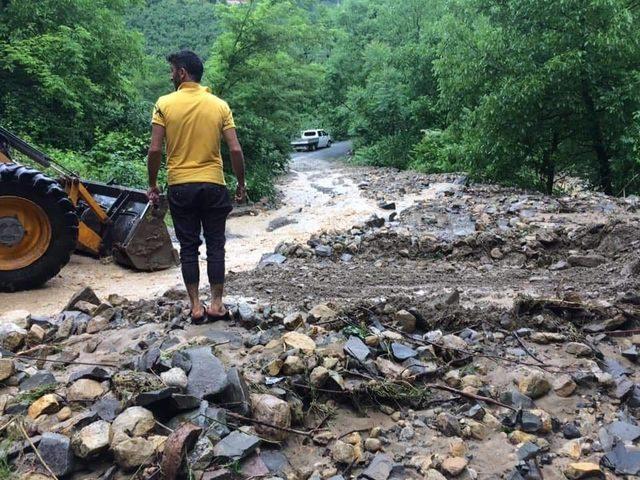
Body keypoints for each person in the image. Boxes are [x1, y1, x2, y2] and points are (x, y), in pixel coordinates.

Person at [146, 49, 246, 323]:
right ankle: (216, 304)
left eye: (172, 70)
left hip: (180, 185)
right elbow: (235, 149)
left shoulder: (163, 104)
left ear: (182, 73)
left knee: (188, 247)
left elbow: (155, 150)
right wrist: (240, 183)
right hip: (214, 183)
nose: (171, 75)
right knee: (216, 245)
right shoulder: (219, 105)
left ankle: (196, 308)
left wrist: (153, 183)